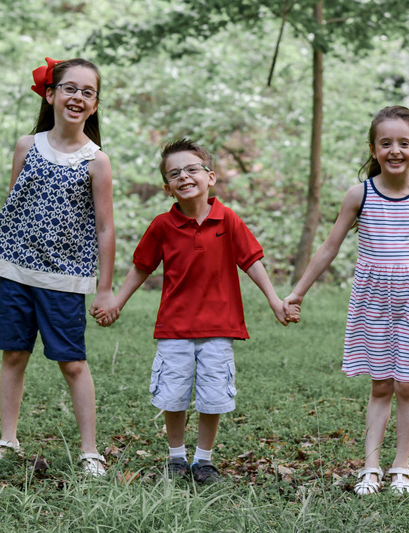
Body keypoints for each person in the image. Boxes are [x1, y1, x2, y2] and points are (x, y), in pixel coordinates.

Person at [93, 139, 298, 484]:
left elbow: (251, 262)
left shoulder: (227, 219)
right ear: (167, 188)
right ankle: (176, 457)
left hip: (220, 327)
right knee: (172, 395)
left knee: (212, 397)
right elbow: (142, 267)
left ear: (211, 177)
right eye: (175, 174)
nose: (184, 177)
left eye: (192, 169)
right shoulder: (162, 225)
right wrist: (116, 301)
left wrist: (275, 300)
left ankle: (204, 460)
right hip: (175, 327)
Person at [284, 106, 409, 495]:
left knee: (407, 385)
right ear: (373, 149)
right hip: (374, 300)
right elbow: (329, 248)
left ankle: (401, 466)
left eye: (404, 143)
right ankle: (370, 467)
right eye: (385, 143)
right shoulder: (360, 195)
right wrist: (297, 291)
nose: (394, 150)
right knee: (381, 385)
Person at [0, 57, 119, 476]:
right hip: (17, 271)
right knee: (14, 355)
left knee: (72, 362)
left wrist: (104, 288)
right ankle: (7, 441)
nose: (77, 96)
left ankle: (90, 451)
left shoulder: (97, 161)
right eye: (69, 88)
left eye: (87, 92)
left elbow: (106, 228)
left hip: (64, 278)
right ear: (51, 94)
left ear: (93, 106)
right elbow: (13, 208)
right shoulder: (26, 145)